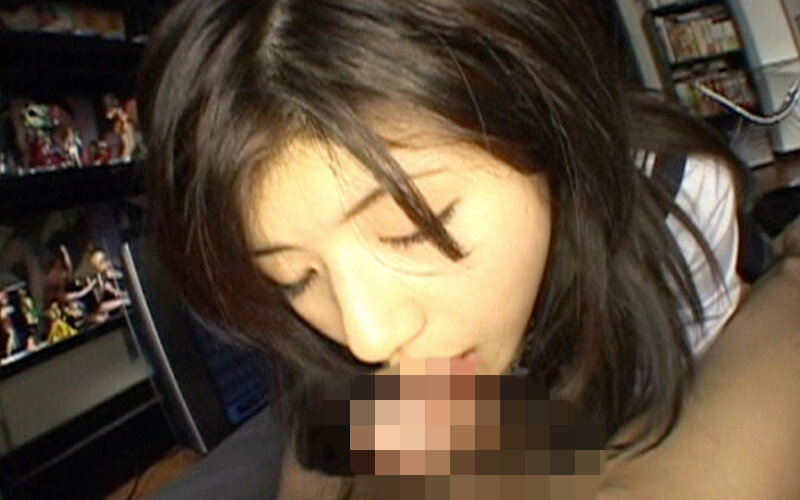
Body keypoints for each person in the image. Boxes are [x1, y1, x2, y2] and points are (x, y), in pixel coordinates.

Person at [138, 0, 797, 498]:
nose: (368, 334)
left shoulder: (673, 202)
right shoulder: (334, 337)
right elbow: (329, 427)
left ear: (540, 117)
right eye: (293, 276)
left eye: (413, 228)